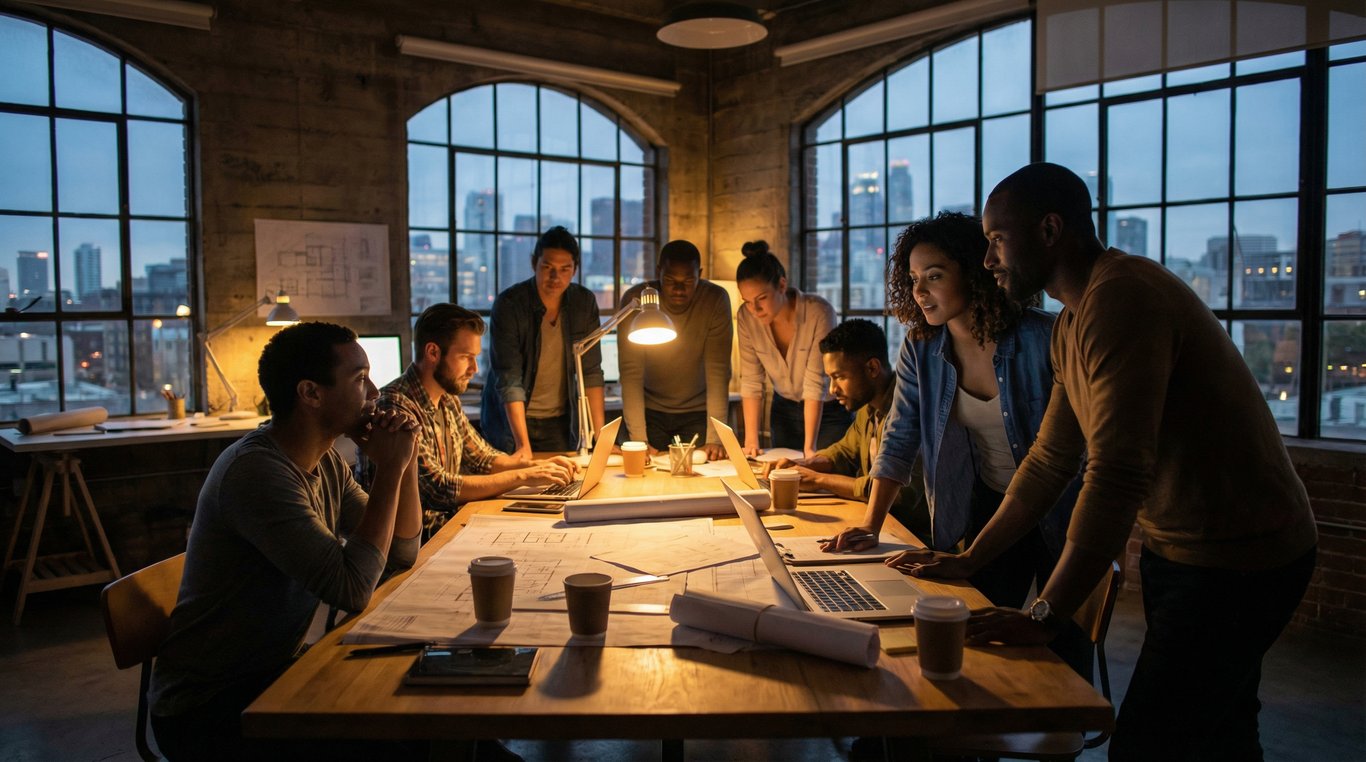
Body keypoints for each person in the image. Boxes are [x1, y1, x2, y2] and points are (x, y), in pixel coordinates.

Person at [890, 163, 1318, 760]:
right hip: (1182, 550)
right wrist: (970, 559)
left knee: (1149, 745)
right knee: (1221, 735)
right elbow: (1049, 460)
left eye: (997, 240)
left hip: (1241, 556)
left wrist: (1044, 616)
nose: (988, 260)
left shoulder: (1122, 298)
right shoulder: (1074, 320)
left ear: (1049, 230)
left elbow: (1116, 472)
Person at [149, 322, 423, 761]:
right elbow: (353, 589)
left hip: (274, 671)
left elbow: (403, 551)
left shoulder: (325, 461)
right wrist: (389, 470)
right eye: (359, 379)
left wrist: (404, 462)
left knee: (428, 714)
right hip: (209, 707)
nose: (374, 392)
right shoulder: (257, 473)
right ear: (310, 393)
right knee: (407, 739)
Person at [377, 304, 576, 534]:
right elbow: (437, 488)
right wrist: (522, 476)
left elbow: (482, 458)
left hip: (448, 526)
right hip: (420, 542)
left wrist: (540, 467)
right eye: (466, 357)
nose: (474, 369)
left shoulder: (447, 399)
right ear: (432, 353)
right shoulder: (396, 406)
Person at [765, 318, 930, 542]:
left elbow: (901, 493)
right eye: (830, 378)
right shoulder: (868, 408)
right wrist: (803, 465)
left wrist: (819, 480)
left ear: (872, 368)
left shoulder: (908, 412)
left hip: (915, 537)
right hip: (884, 528)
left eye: (840, 377)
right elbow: (844, 452)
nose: (832, 390)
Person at [481, 226, 605, 458]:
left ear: (575, 269)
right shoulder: (510, 304)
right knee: (515, 476)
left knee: (561, 477)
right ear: (534, 263)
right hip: (512, 423)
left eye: (565, 269)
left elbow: (591, 372)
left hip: (559, 422)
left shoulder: (583, 303)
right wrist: (522, 444)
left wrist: (601, 439)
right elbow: (509, 379)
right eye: (548, 267)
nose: (555, 277)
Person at [618, 239, 732, 459]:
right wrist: (639, 440)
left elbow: (718, 372)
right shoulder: (636, 301)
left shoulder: (715, 300)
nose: (679, 289)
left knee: (699, 470)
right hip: (650, 413)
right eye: (670, 280)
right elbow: (631, 373)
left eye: (688, 281)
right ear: (658, 272)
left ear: (700, 274)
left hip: (698, 413)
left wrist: (715, 439)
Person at [735, 240, 849, 459]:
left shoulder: (818, 312)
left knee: (822, 471)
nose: (755, 309)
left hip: (828, 413)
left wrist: (809, 449)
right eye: (747, 301)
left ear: (781, 285)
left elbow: (815, 383)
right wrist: (751, 443)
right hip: (784, 410)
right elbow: (751, 380)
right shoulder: (746, 318)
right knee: (780, 474)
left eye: (761, 298)